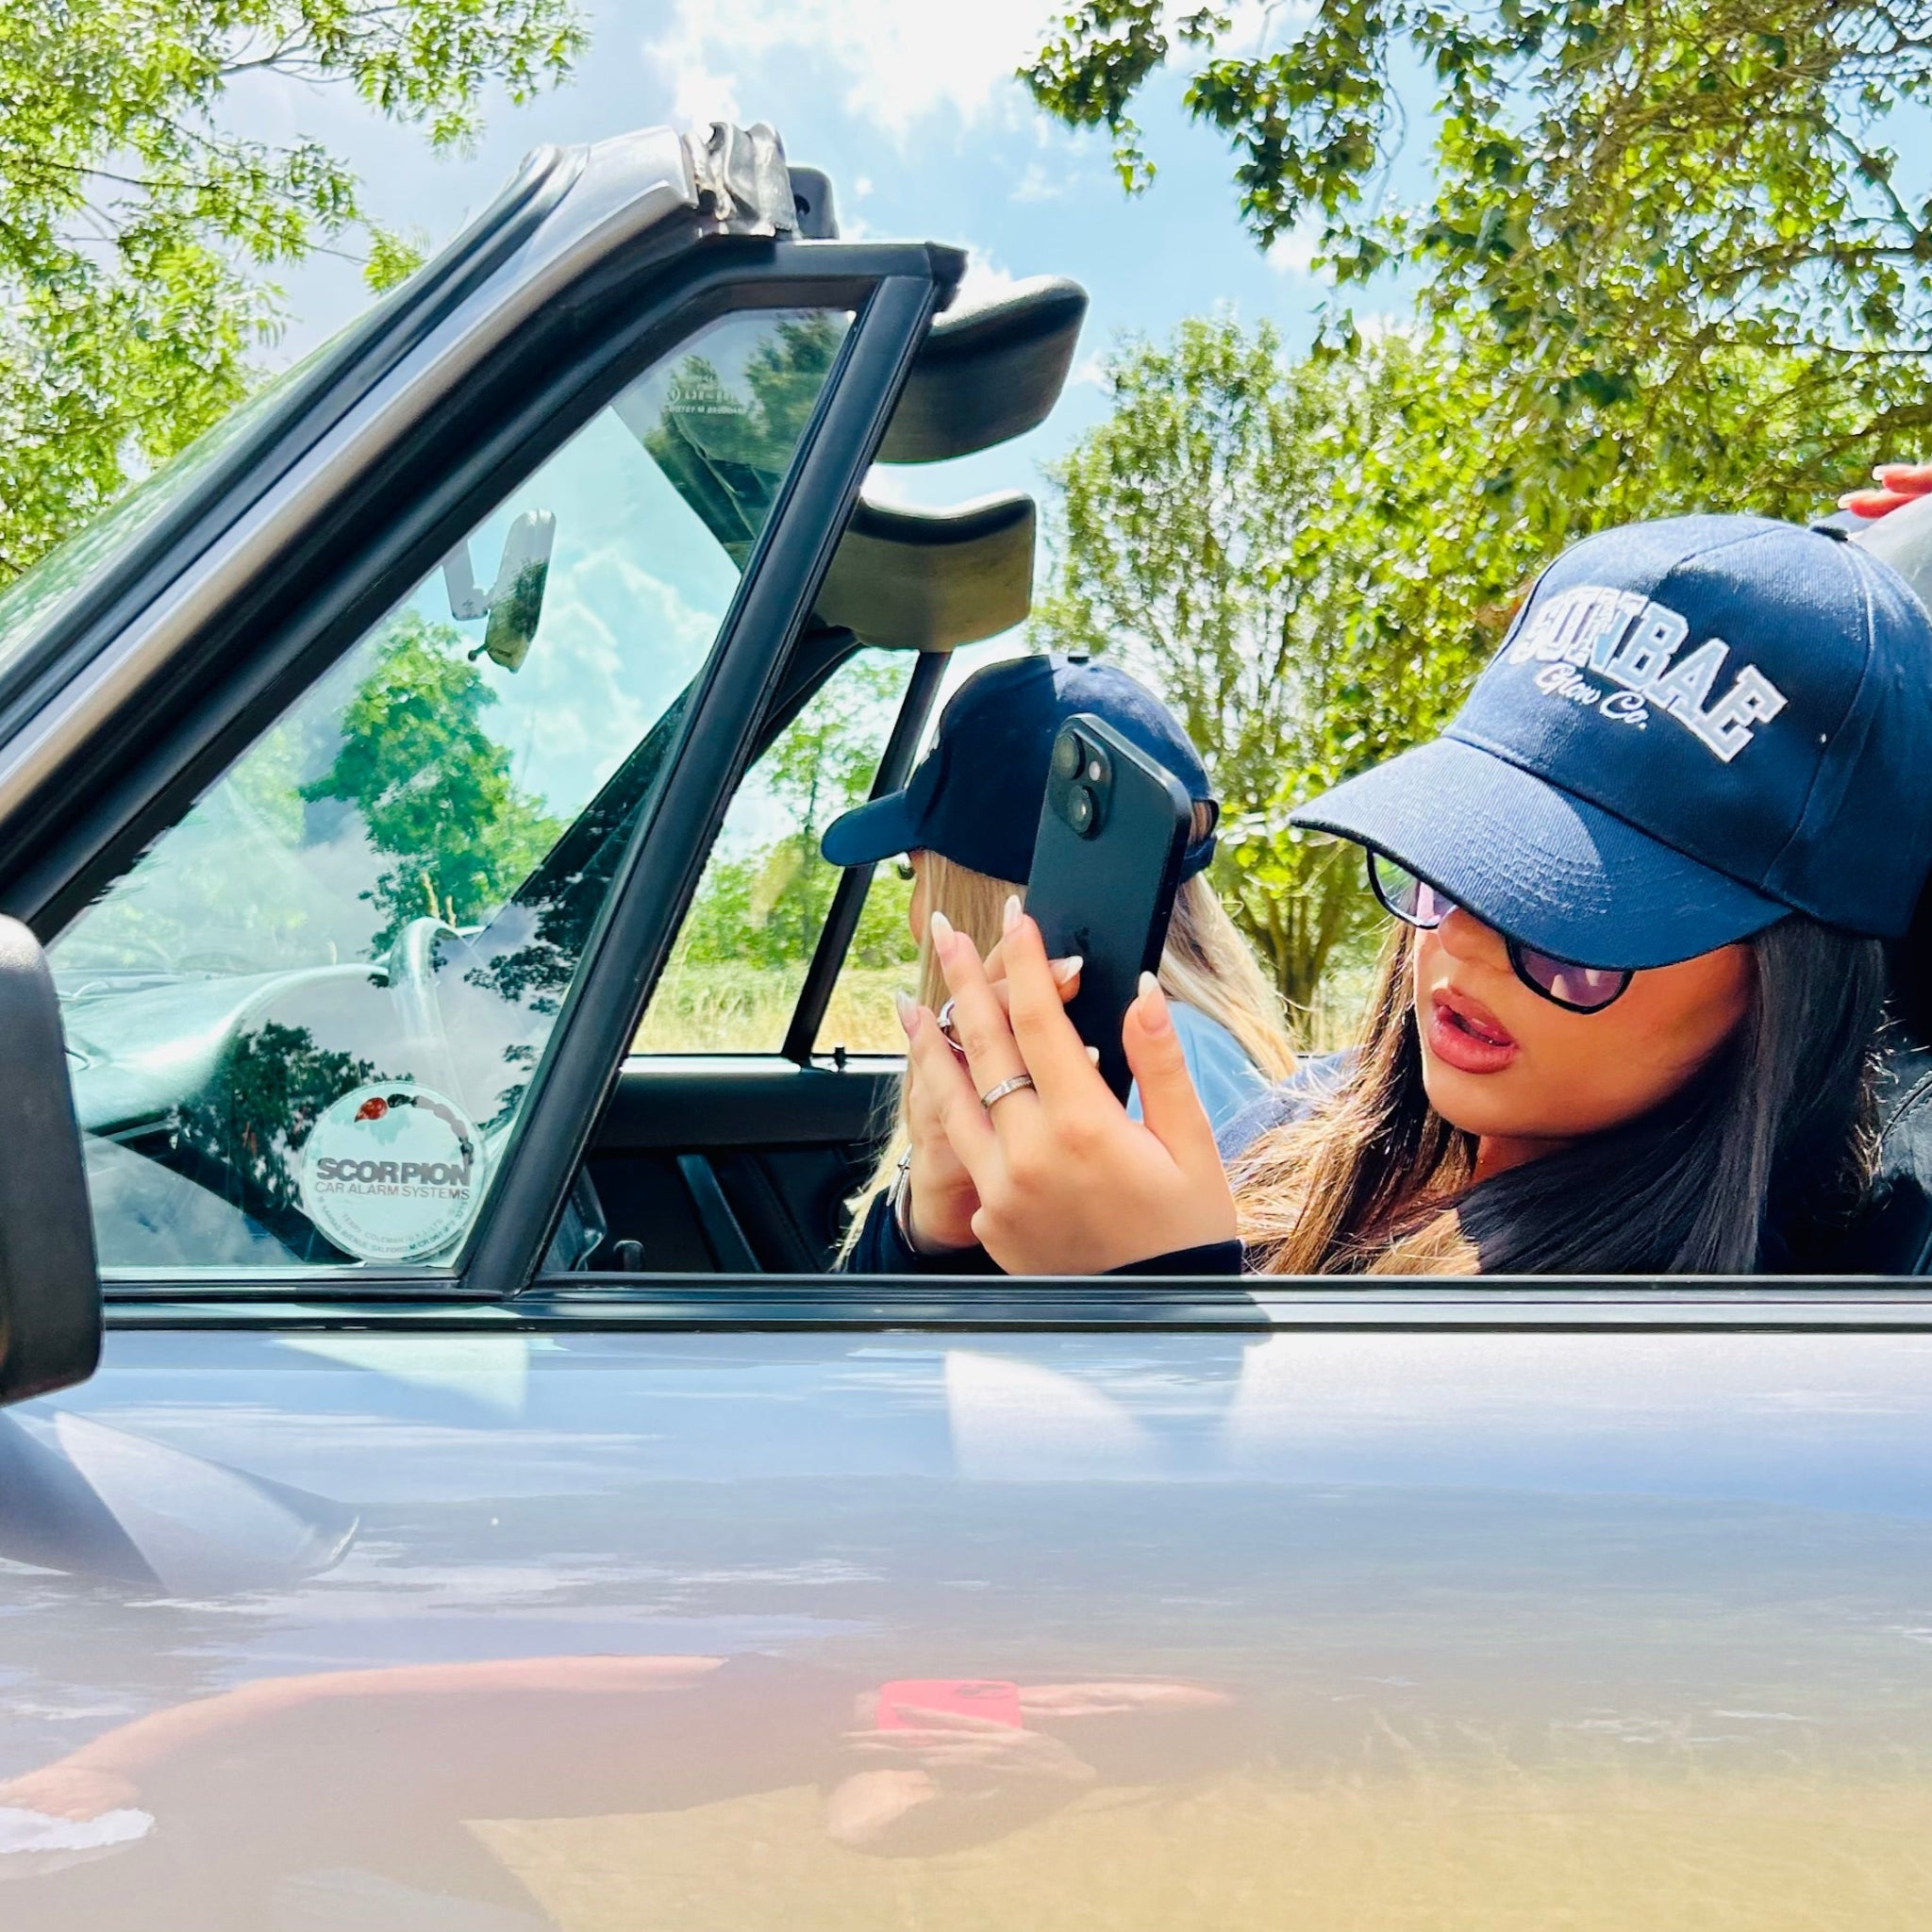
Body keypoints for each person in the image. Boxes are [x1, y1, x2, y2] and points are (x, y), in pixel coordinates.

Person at [884, 514, 1932, 1276]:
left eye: (1569, 923)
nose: (1461, 940)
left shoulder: (1749, 1336)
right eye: (1448, 862)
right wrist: (937, 1238)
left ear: (1790, 988)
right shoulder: (1314, 1120)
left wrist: (1150, 1318)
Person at [822, 652, 1293, 1264]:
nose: (916, 920)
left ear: (995, 902)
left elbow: (1069, 1347)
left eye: (914, 875)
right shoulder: (1179, 1057)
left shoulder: (1139, 1081)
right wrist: (927, 1227)